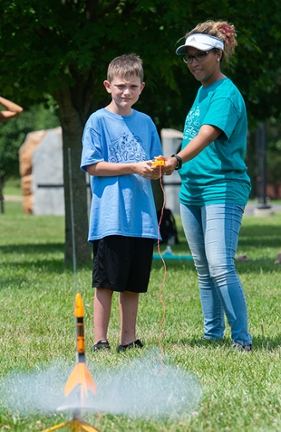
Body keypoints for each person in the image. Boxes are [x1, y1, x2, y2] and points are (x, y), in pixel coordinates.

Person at [163, 20, 252, 351]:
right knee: (204, 269)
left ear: (217, 54)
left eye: (199, 56)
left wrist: (175, 160)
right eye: (187, 57)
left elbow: (206, 134)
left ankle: (241, 341)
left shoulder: (226, 94)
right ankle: (212, 336)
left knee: (219, 264)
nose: (193, 63)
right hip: (193, 191)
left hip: (222, 188)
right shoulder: (202, 91)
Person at [80, 54, 163, 353]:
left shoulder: (146, 122)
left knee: (133, 284)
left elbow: (154, 164)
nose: (125, 92)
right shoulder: (98, 121)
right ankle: (100, 340)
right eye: (120, 86)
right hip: (110, 217)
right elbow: (92, 165)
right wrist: (132, 167)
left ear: (142, 88)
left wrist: (157, 168)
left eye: (132, 86)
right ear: (107, 86)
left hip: (141, 219)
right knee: (106, 282)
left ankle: (128, 339)